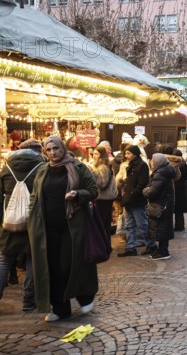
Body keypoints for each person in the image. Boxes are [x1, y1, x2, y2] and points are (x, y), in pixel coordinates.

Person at [28, 136, 99, 322]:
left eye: (56, 149)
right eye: (49, 149)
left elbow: (93, 190)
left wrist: (78, 194)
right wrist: (31, 219)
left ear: (62, 148)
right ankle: (59, 308)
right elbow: (35, 196)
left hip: (72, 225)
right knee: (51, 267)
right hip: (48, 228)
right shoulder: (42, 170)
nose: (53, 153)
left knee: (67, 265)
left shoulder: (78, 167)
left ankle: (85, 297)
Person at [0, 139, 44, 312]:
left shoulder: (7, 167)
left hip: (9, 221)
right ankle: (28, 301)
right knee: (32, 260)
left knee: (4, 259)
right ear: (38, 150)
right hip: (34, 220)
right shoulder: (41, 167)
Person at [117, 145, 156, 257]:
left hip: (137, 200)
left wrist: (133, 193)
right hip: (128, 199)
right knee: (129, 225)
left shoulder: (142, 165)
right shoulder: (130, 165)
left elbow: (142, 183)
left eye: (128, 153)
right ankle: (131, 247)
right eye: (126, 153)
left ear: (135, 153)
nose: (126, 155)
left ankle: (151, 245)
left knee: (142, 224)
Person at [142, 153, 176, 260]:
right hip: (164, 205)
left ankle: (163, 252)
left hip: (160, 206)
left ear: (158, 162)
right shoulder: (164, 172)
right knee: (162, 229)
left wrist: (144, 190)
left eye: (153, 160)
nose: (151, 162)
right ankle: (161, 250)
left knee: (161, 229)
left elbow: (151, 192)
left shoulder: (160, 175)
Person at [89, 146, 116, 240]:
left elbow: (102, 184)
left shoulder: (103, 167)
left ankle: (104, 247)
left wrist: (92, 172)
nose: (94, 156)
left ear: (102, 155)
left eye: (96, 154)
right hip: (102, 199)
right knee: (103, 224)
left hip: (104, 200)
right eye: (93, 154)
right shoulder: (101, 166)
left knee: (102, 224)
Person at [172, 149, 187, 232]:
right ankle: (180, 225)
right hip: (182, 187)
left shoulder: (176, 164)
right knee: (180, 210)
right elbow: (186, 176)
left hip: (176, 187)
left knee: (176, 208)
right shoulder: (184, 163)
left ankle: (178, 226)